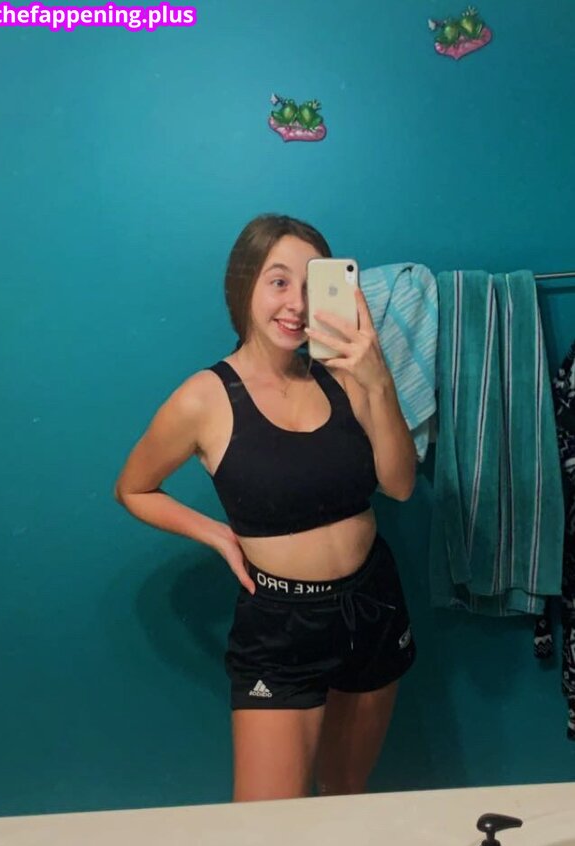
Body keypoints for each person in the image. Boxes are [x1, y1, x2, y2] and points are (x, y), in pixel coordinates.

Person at [115, 213, 417, 802]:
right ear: (243, 285)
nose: (296, 304)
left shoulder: (346, 378)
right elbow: (134, 488)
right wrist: (217, 535)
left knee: (348, 791)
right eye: (278, 281)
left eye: (311, 284)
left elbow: (401, 485)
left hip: (373, 602)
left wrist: (378, 381)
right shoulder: (204, 398)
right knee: (265, 823)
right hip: (280, 624)